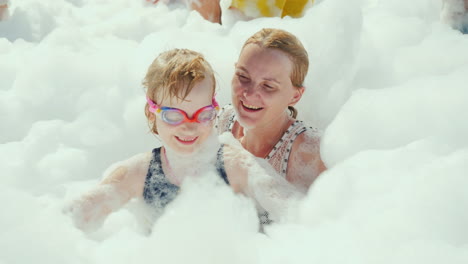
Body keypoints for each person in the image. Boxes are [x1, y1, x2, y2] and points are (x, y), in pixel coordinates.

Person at [66, 48, 302, 232]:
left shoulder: (236, 166)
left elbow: (298, 213)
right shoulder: (139, 173)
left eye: (203, 114)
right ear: (152, 113)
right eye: (173, 115)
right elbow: (71, 220)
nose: (189, 126)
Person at [217, 28, 326, 194]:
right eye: (243, 77)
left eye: (268, 86)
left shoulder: (311, 153)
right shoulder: (222, 122)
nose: (249, 94)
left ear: (295, 96)